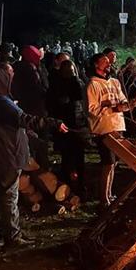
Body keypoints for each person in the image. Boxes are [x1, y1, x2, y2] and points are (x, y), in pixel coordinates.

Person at [0, 64, 68, 247]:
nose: (13, 77)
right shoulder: (3, 103)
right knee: (8, 198)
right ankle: (12, 237)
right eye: (9, 74)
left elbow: (9, 125)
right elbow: (27, 120)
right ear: (2, 80)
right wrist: (53, 123)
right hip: (7, 156)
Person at [86, 53, 134, 208]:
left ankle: (109, 194)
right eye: (104, 62)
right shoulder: (93, 84)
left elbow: (122, 99)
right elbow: (92, 109)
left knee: (114, 164)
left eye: (109, 62)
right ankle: (103, 198)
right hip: (104, 128)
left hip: (117, 126)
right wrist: (114, 108)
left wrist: (128, 104)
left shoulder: (114, 82)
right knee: (107, 163)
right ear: (96, 65)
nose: (108, 64)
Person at [46, 60, 87, 197]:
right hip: (65, 125)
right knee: (67, 156)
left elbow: (81, 96)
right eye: (67, 70)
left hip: (78, 124)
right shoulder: (56, 85)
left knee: (79, 157)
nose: (69, 72)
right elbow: (52, 104)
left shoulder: (77, 83)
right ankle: (66, 185)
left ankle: (80, 184)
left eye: (71, 70)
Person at [119, 57, 136, 135]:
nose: (132, 65)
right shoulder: (123, 74)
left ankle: (134, 132)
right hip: (126, 97)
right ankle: (128, 133)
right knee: (127, 115)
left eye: (133, 63)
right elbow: (122, 86)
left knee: (135, 115)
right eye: (130, 63)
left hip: (135, 97)